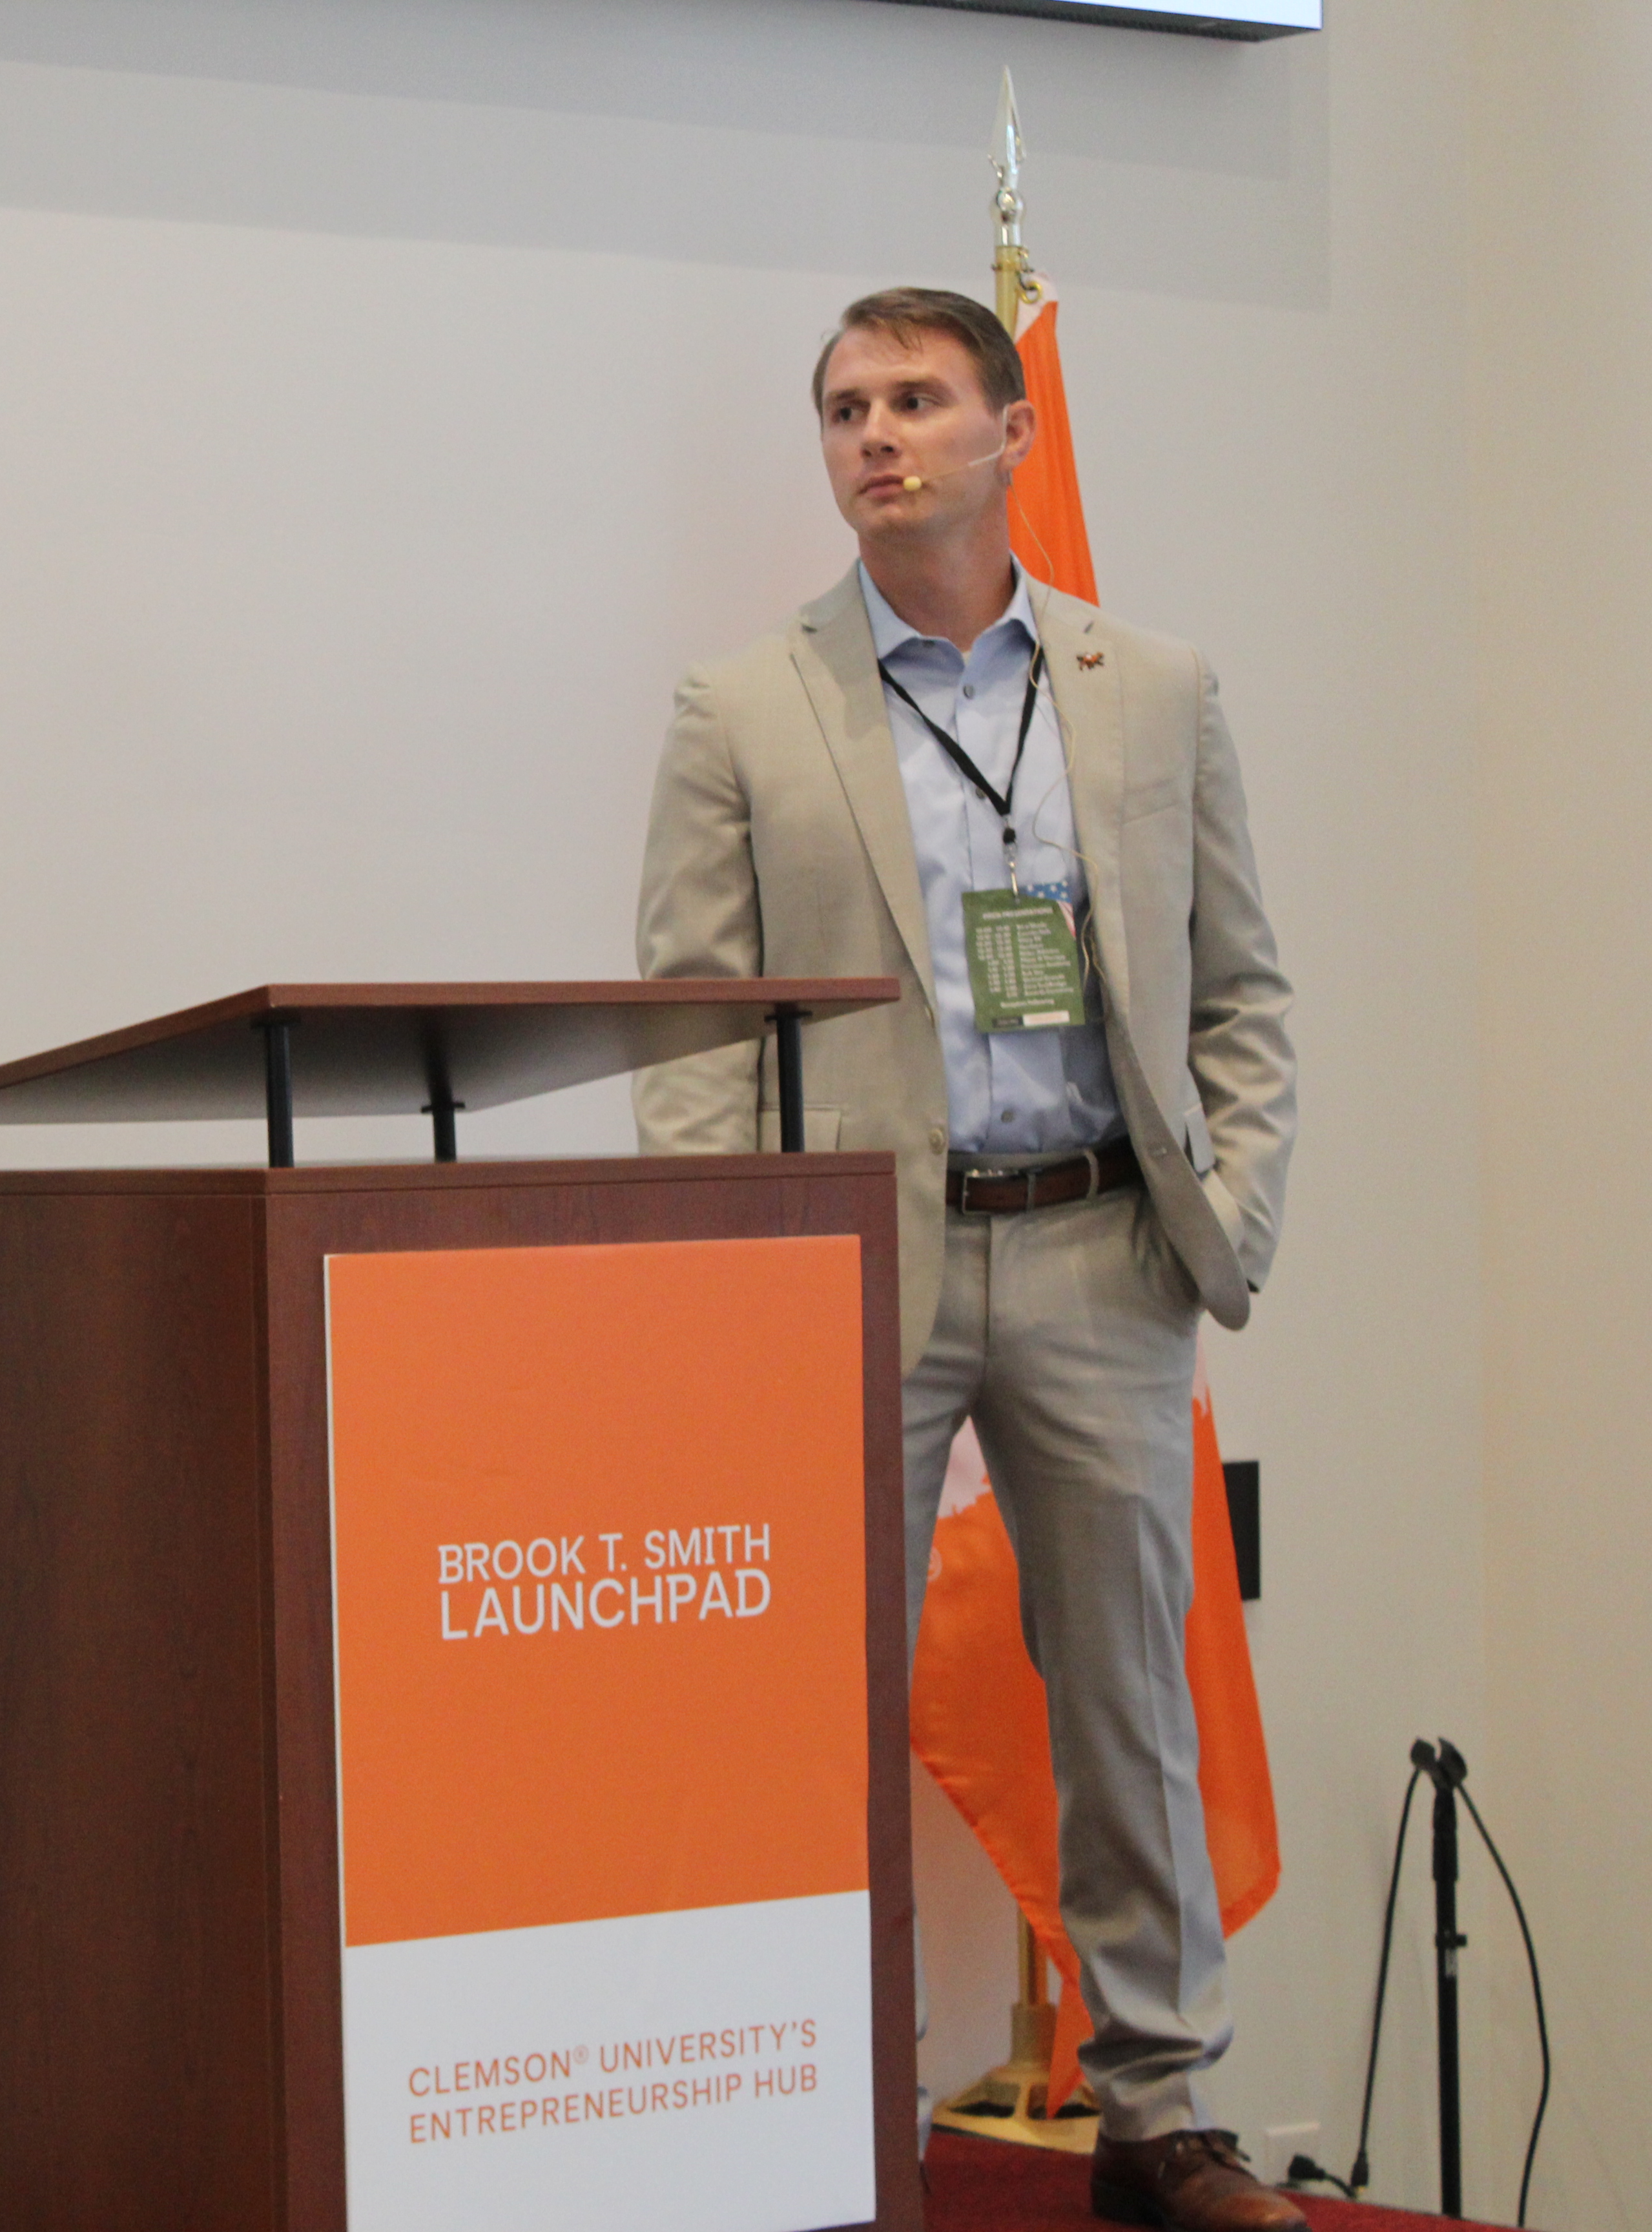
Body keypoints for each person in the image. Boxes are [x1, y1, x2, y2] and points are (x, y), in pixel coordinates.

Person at [633, 287, 1298, 2232]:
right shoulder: (740, 706)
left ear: (1013, 431)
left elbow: (1243, 988)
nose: (875, 434)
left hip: (1100, 1246)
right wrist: (728, 1283)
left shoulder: (1152, 684)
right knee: (807, 1702)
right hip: (859, 1267)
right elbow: (690, 1024)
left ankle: (1159, 2113)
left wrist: (1226, 1214)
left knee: (1127, 1703)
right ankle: (828, 2090)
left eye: (917, 398)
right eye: (843, 407)